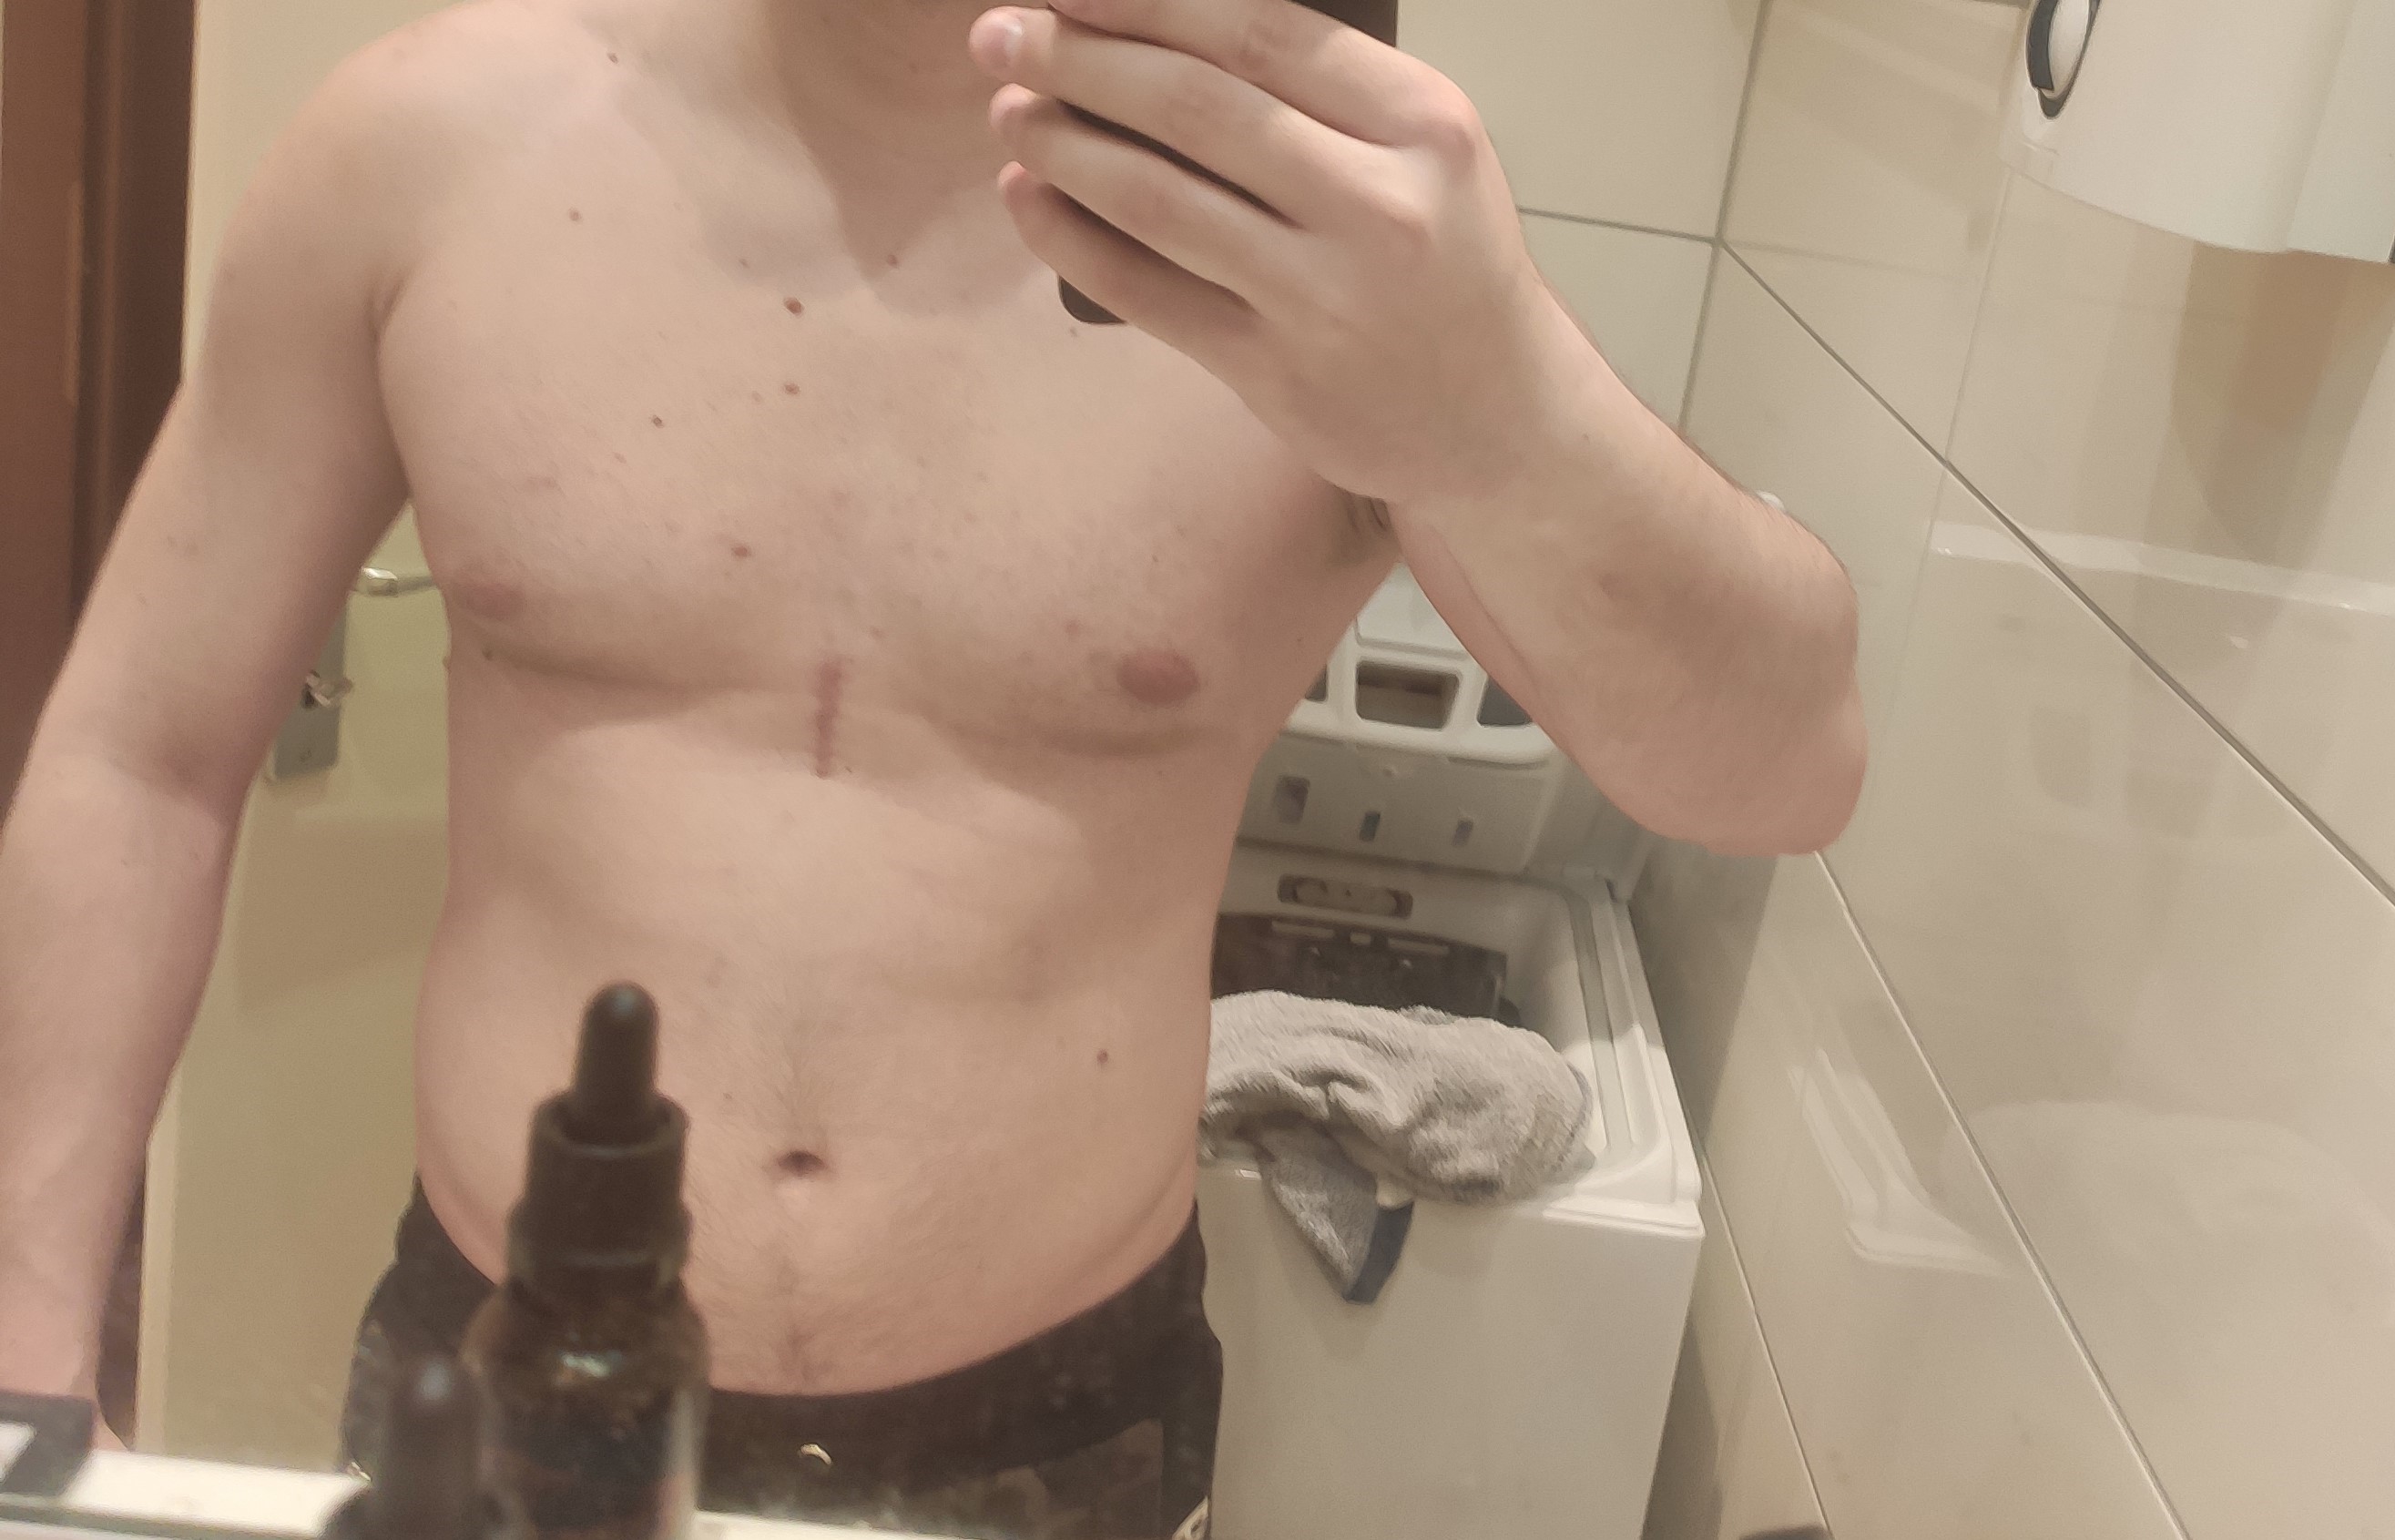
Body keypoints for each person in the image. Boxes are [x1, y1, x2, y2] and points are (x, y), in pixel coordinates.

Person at [0, 0, 1865, 1532]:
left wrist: (1503, 410)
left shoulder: (1310, 243)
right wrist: (22, 1341)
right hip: (511, 1385)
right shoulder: (421, 147)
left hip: (1061, 1439)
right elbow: (143, 756)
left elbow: (1783, 773)